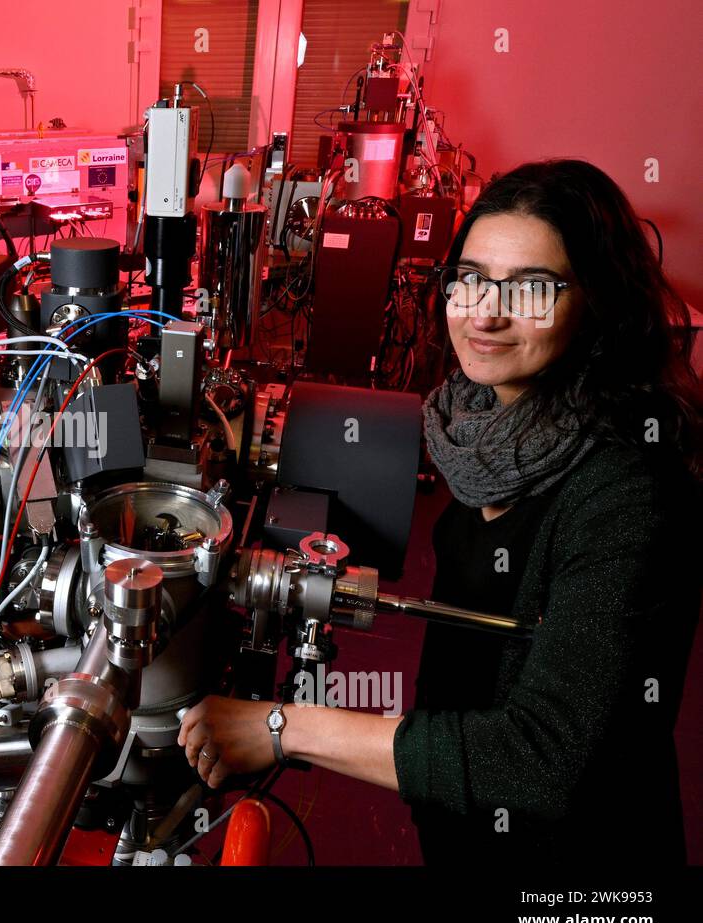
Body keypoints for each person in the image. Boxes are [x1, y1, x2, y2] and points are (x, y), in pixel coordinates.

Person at [179, 159, 703, 864]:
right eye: (472, 278)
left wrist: (282, 726)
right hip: (466, 829)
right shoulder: (486, 423)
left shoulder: (628, 488)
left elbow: (542, 757)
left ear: (596, 303)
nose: (486, 311)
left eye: (531, 289)